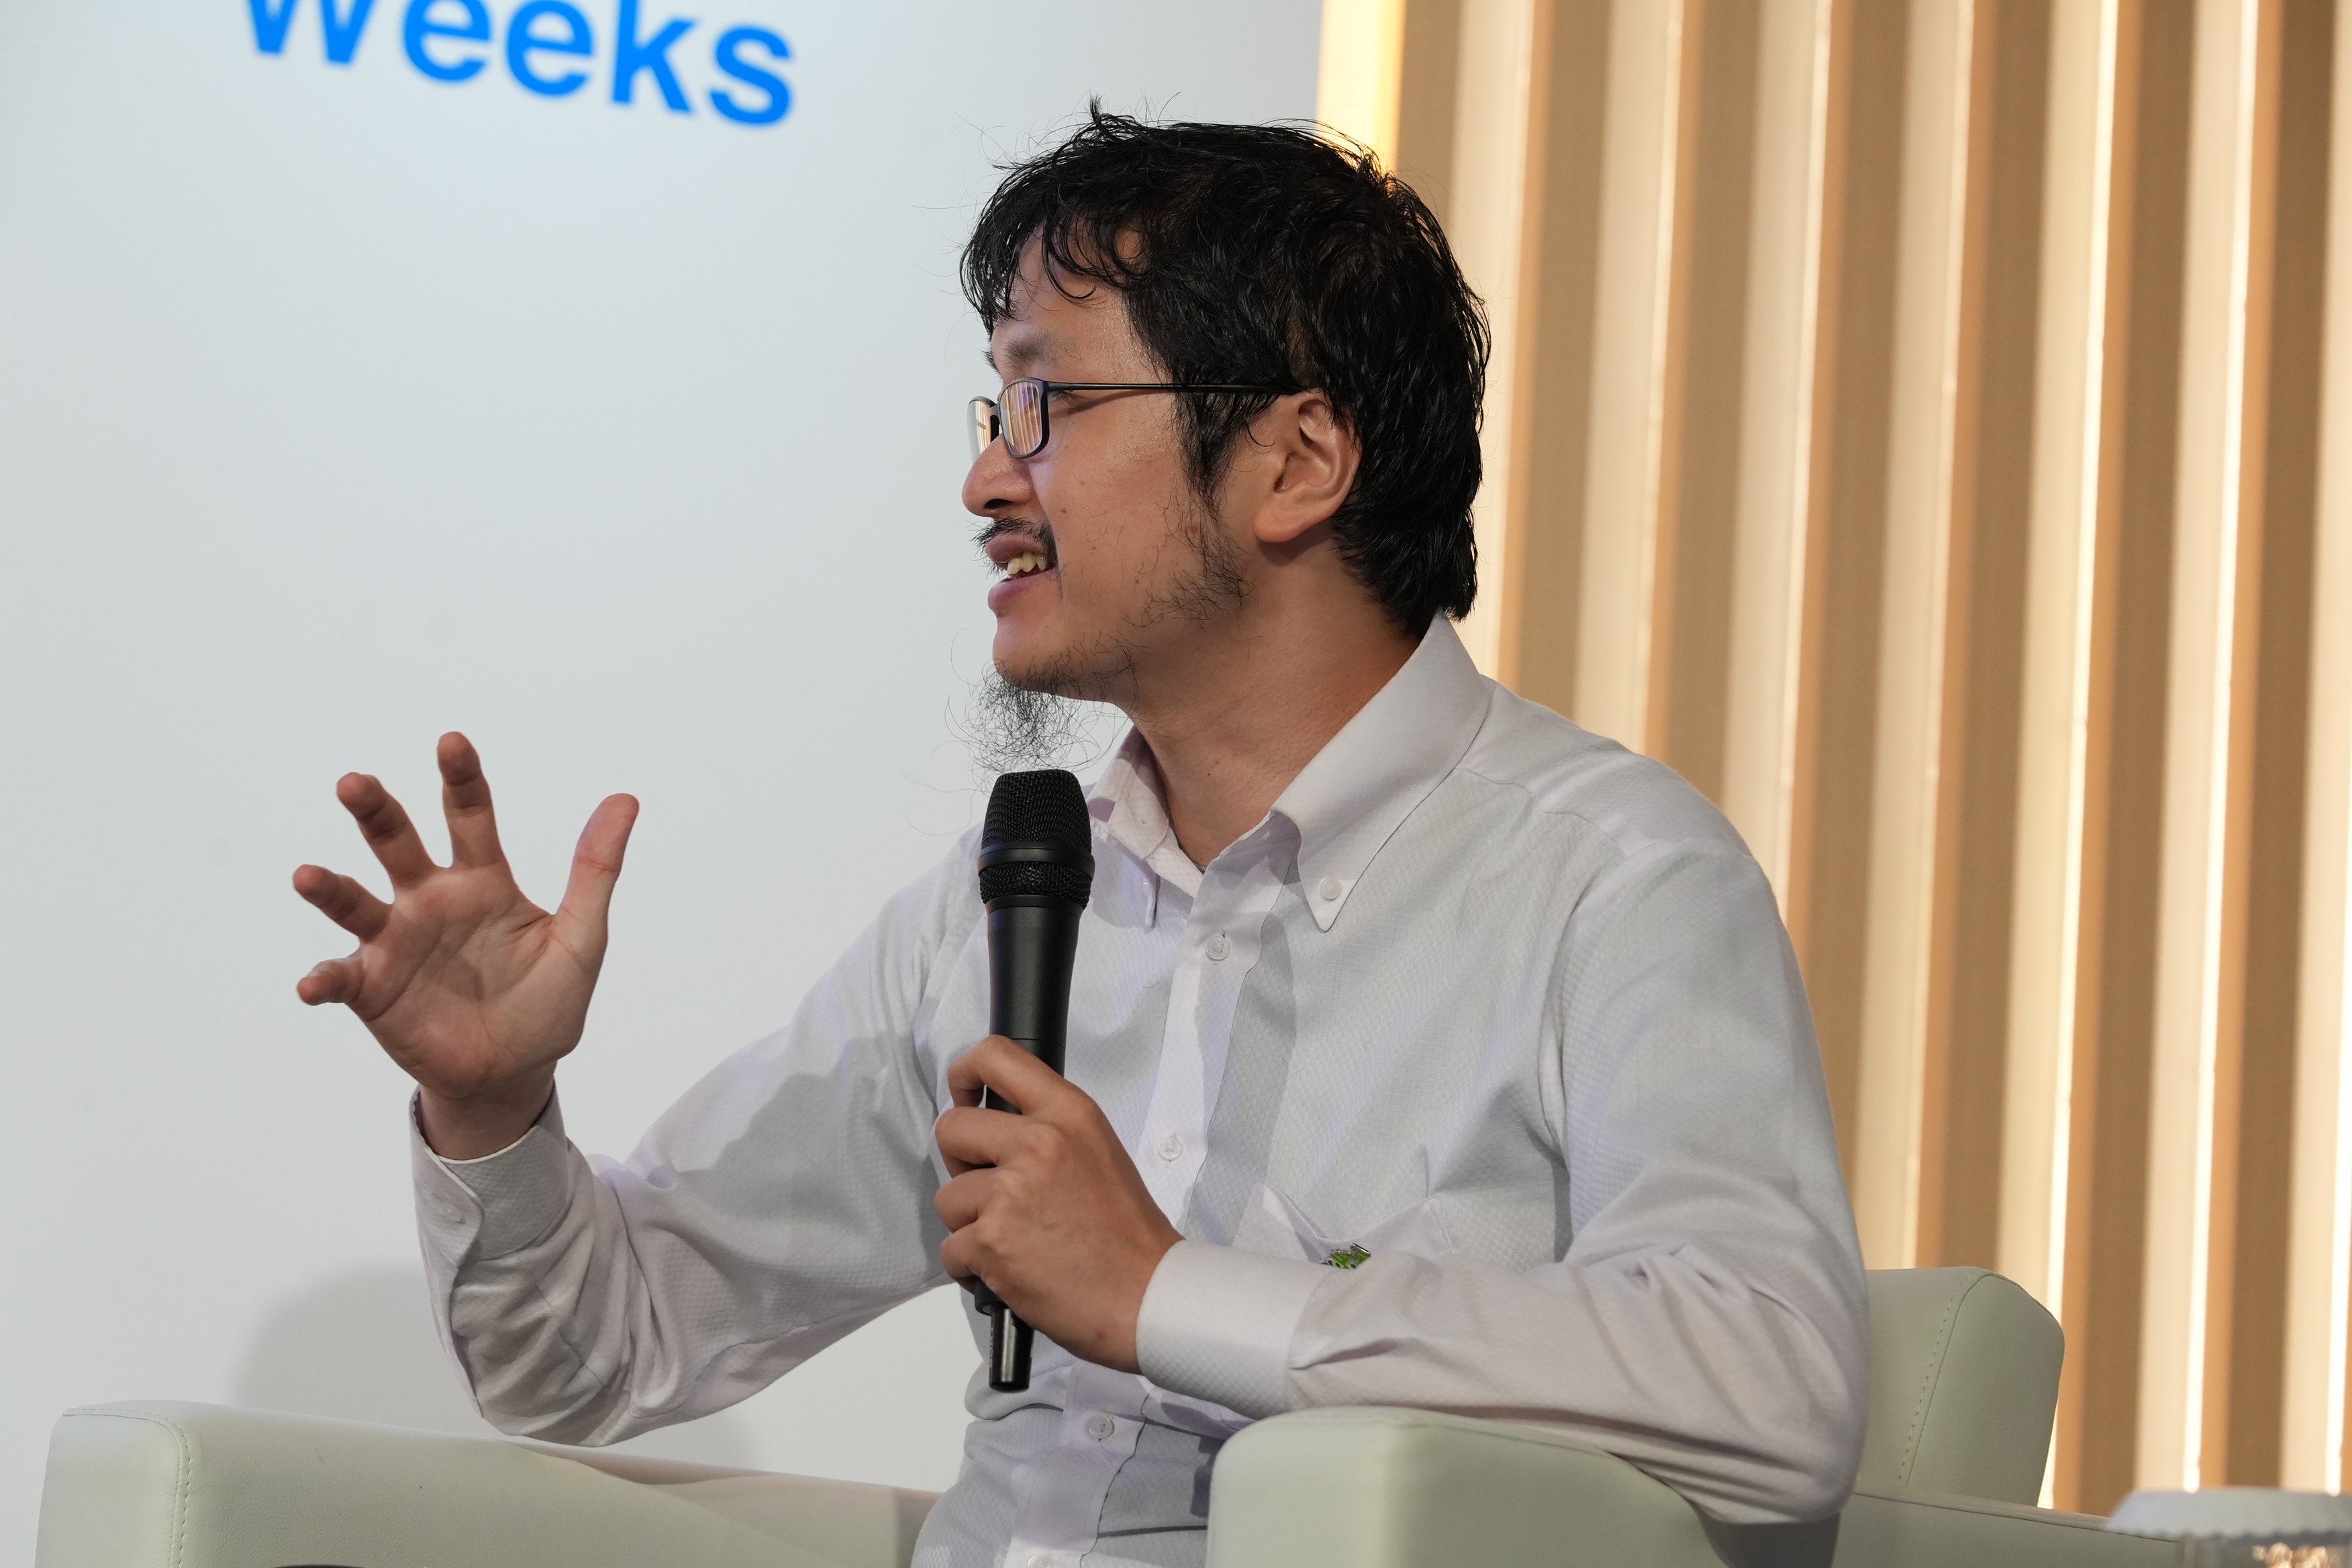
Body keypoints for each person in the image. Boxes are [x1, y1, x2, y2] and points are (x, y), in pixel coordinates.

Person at [292, 110, 1868, 1568]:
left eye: (1049, 402)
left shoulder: (1611, 878)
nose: (985, 478)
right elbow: (596, 1350)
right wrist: (492, 1108)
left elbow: (1773, 1381)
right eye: (997, 406)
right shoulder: (1006, 903)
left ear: (1298, 460)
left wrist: (1163, 1290)